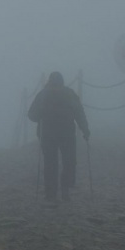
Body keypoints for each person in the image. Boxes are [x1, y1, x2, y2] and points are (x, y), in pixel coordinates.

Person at [28, 71, 90, 203]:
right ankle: (58, 192)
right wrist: (85, 129)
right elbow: (32, 114)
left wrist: (85, 128)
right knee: (63, 162)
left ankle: (56, 192)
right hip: (58, 134)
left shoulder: (47, 95)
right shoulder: (65, 94)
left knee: (62, 163)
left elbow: (32, 115)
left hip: (55, 134)